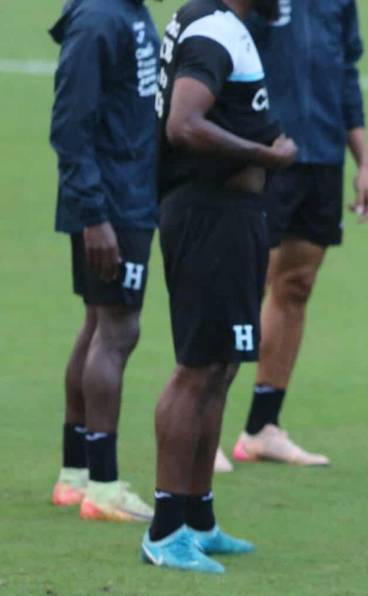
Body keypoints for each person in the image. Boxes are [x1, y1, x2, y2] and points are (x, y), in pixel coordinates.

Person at [141, 0, 296, 573]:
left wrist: (268, 141)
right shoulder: (212, 30)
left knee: (222, 366)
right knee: (197, 369)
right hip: (209, 216)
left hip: (232, 216)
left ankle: (198, 516)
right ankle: (165, 529)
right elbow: (183, 123)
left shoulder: (219, 24)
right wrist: (264, 154)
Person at [214, 0, 368, 471]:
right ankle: (205, 424)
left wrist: (363, 160)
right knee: (245, 287)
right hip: (263, 156)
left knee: (297, 285)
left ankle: (263, 426)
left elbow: (347, 71)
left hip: (322, 156)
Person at [49, 0, 160, 523]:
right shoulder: (100, 18)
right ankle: (104, 486)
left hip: (126, 194)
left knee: (98, 323)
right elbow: (70, 122)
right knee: (118, 330)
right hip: (113, 203)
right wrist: (93, 214)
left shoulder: (129, 12)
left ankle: (76, 475)